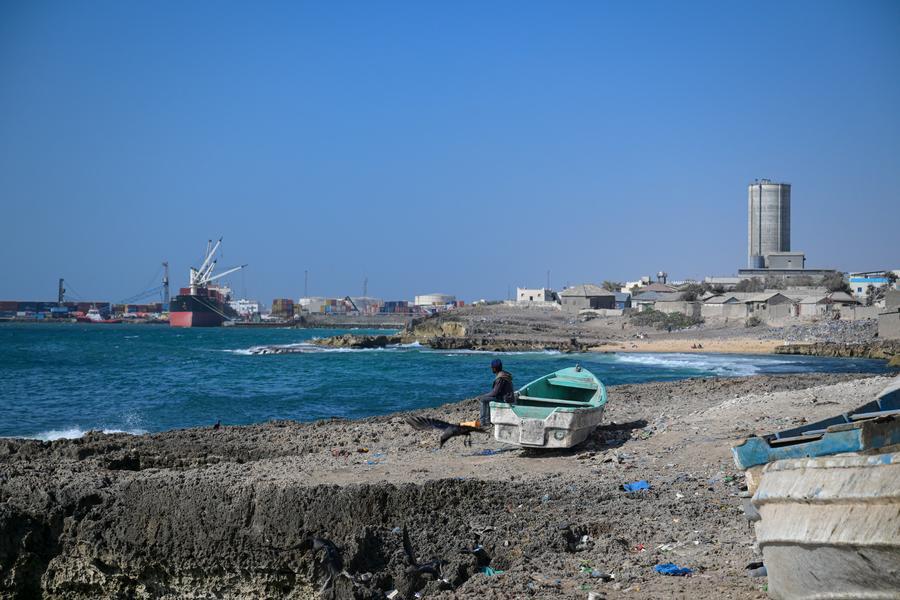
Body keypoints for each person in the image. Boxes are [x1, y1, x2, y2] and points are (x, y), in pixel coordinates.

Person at [478, 359, 514, 426]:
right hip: (508, 397)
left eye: (492, 367)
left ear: (495, 368)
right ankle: (487, 420)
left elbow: (495, 393)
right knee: (486, 399)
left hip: (505, 399)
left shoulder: (500, 378)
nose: (491, 369)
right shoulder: (504, 374)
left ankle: (483, 422)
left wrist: (484, 395)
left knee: (483, 399)